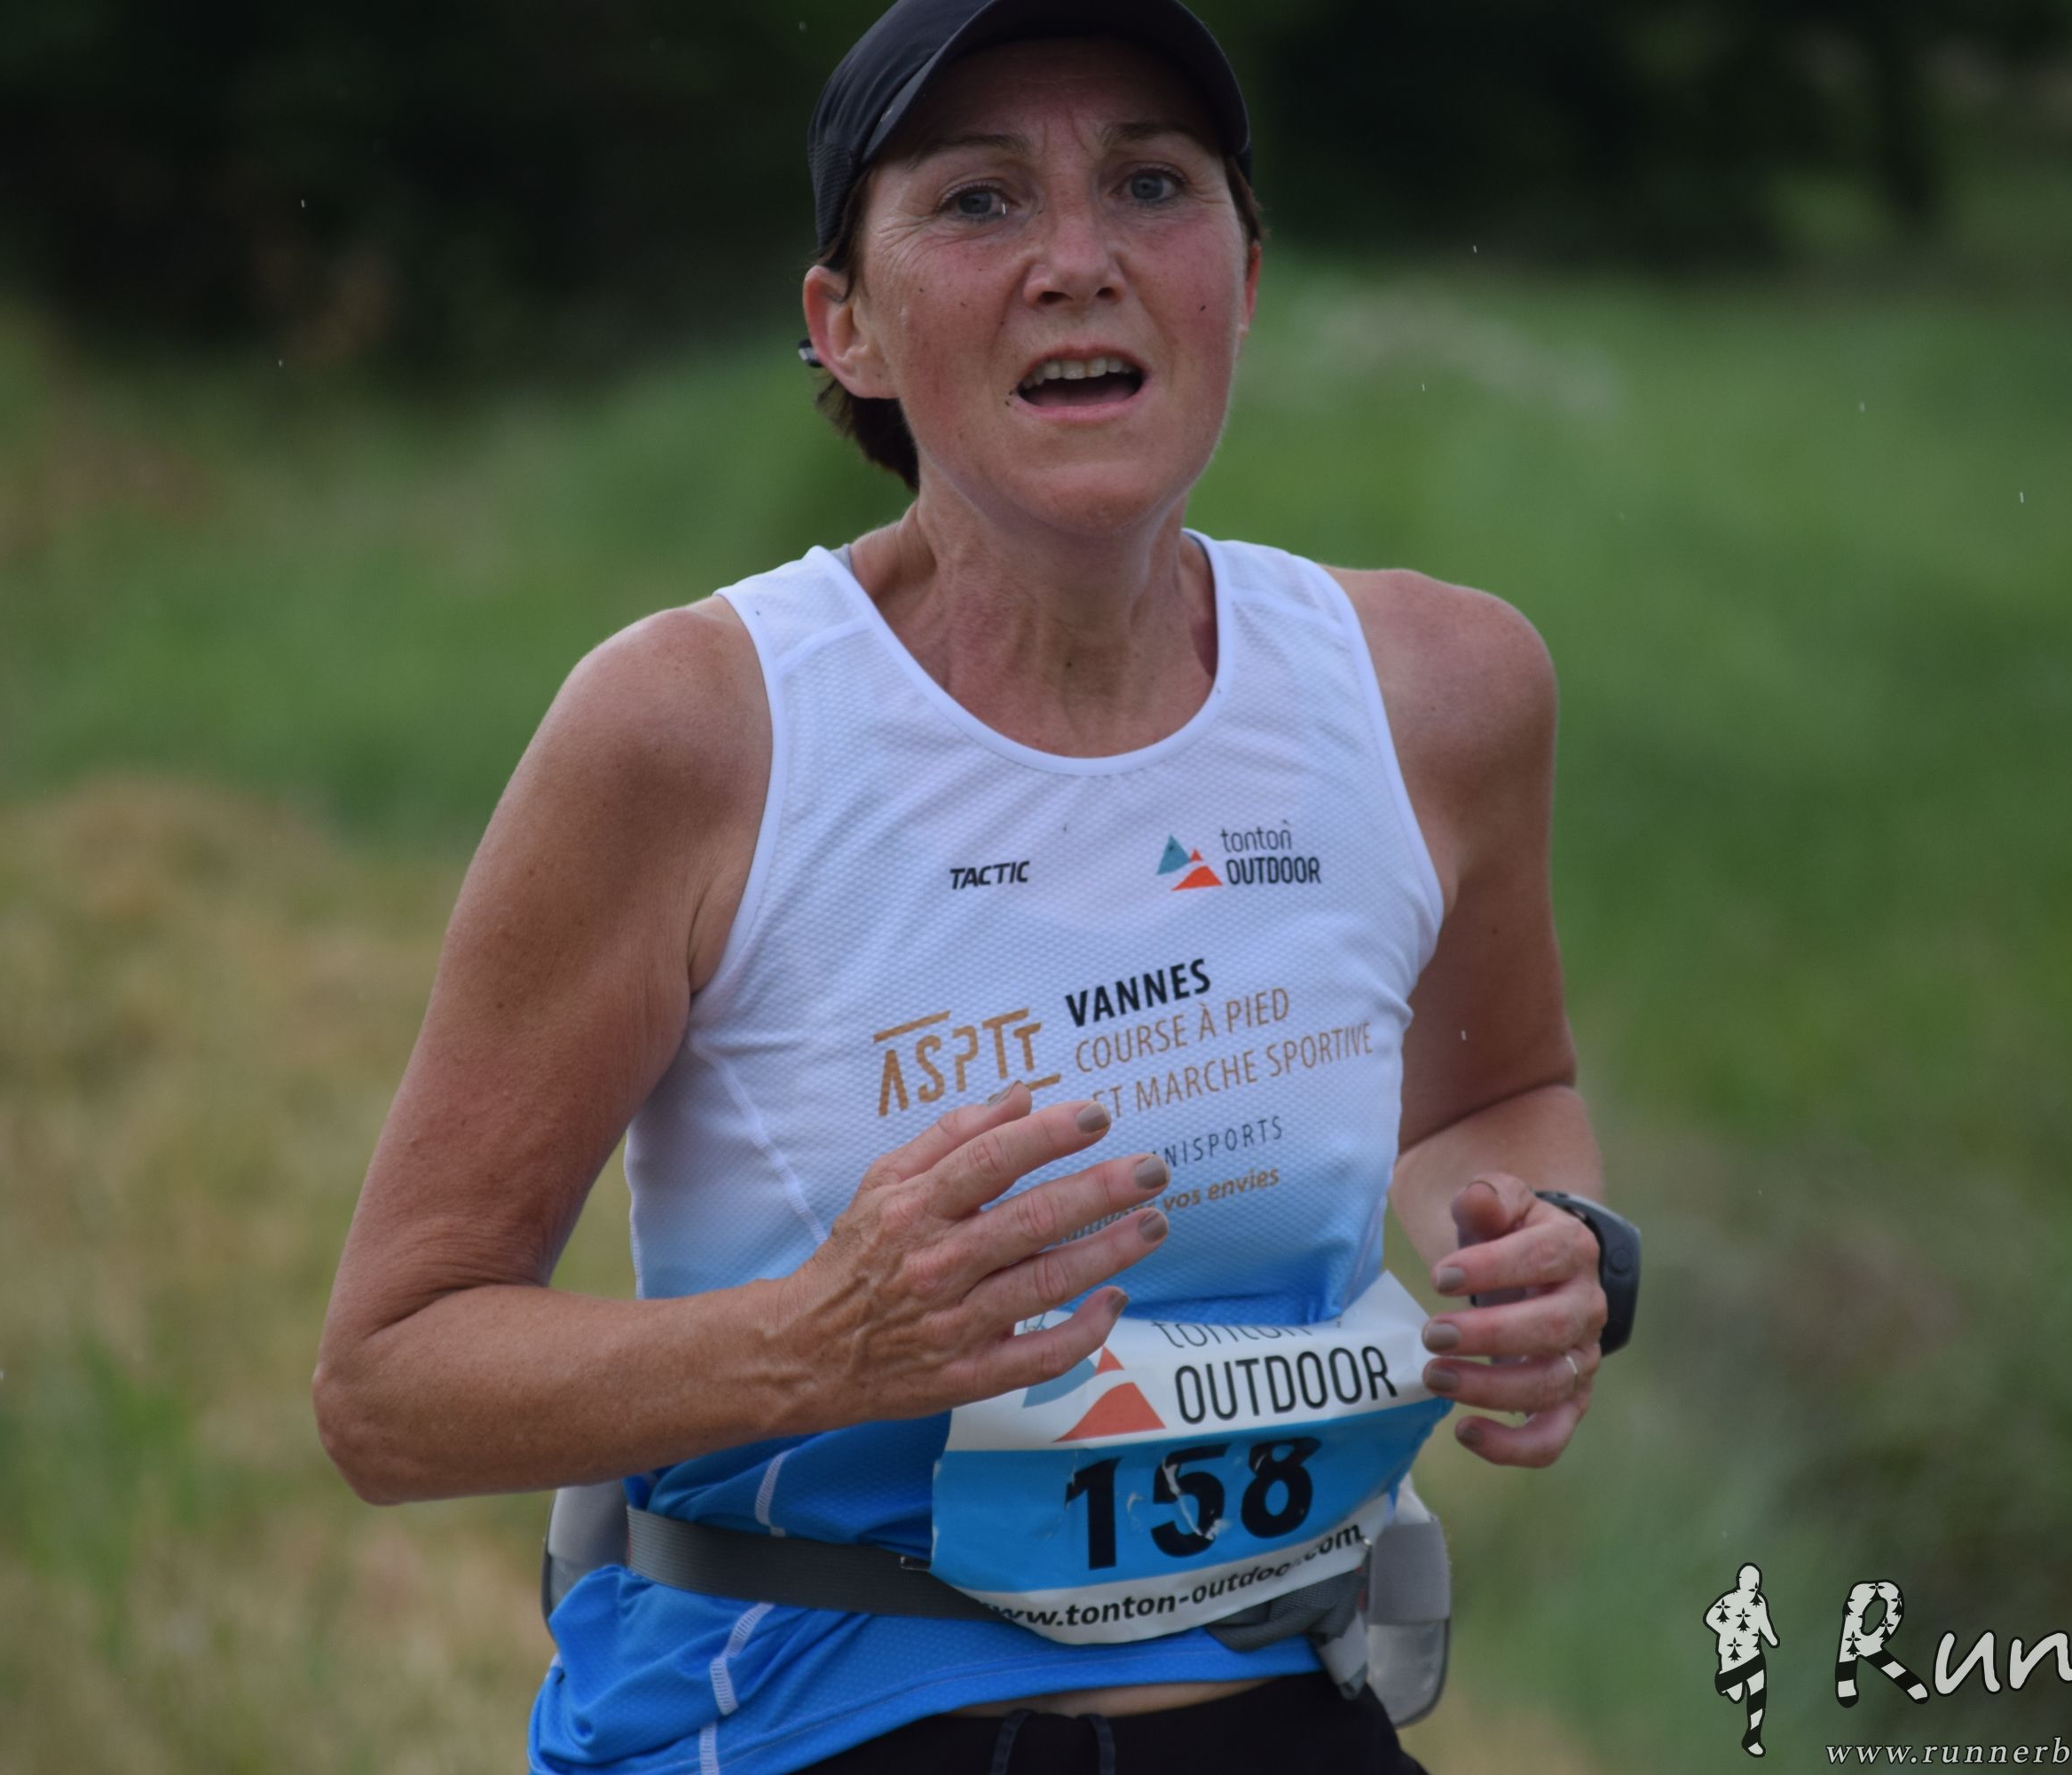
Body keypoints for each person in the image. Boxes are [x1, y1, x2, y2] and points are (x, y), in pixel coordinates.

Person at [311, 3, 1615, 1770]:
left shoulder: (1441, 690)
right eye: (980, 201)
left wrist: (1542, 1251)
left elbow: (1492, 1096)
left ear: (1242, 275)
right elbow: (389, 1388)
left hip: (1285, 1705)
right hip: (789, 1723)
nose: (1077, 261)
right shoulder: (693, 728)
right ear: (842, 325)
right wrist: (814, 1348)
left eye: (1150, 185)